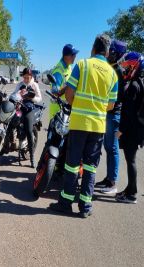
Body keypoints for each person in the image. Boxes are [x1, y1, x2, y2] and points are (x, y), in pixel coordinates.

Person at [49, 34, 118, 218]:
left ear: (93, 49)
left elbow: (69, 93)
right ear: (108, 51)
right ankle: (85, 206)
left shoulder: (82, 65)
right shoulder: (112, 73)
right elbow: (111, 105)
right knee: (90, 167)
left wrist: (76, 104)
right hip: (98, 127)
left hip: (79, 123)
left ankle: (66, 202)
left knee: (72, 165)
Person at [95, 40, 127, 194]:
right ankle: (108, 179)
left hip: (114, 114)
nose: (108, 54)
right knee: (108, 147)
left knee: (112, 148)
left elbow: (117, 97)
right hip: (109, 113)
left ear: (116, 54)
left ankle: (112, 183)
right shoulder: (112, 68)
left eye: (111, 51)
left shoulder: (118, 71)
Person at [115, 52, 144, 204]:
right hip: (136, 129)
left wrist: (121, 130)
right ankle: (129, 189)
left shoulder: (134, 86)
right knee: (129, 160)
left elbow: (129, 113)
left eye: (127, 67)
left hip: (132, 130)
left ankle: (132, 194)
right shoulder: (138, 82)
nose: (125, 69)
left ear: (135, 66)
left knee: (131, 161)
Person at [11, 67, 42, 168]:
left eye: (28, 77)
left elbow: (39, 98)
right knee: (11, 123)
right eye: (24, 77)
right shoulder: (20, 84)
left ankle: (32, 158)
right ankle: (6, 145)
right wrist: (14, 97)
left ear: (31, 76)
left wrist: (31, 97)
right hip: (20, 108)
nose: (26, 79)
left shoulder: (34, 85)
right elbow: (13, 94)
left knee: (29, 130)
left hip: (29, 109)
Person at [49, 44, 79, 119]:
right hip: (57, 112)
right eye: (73, 55)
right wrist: (70, 85)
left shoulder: (69, 67)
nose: (75, 57)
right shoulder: (58, 71)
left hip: (66, 110)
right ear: (66, 56)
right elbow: (55, 93)